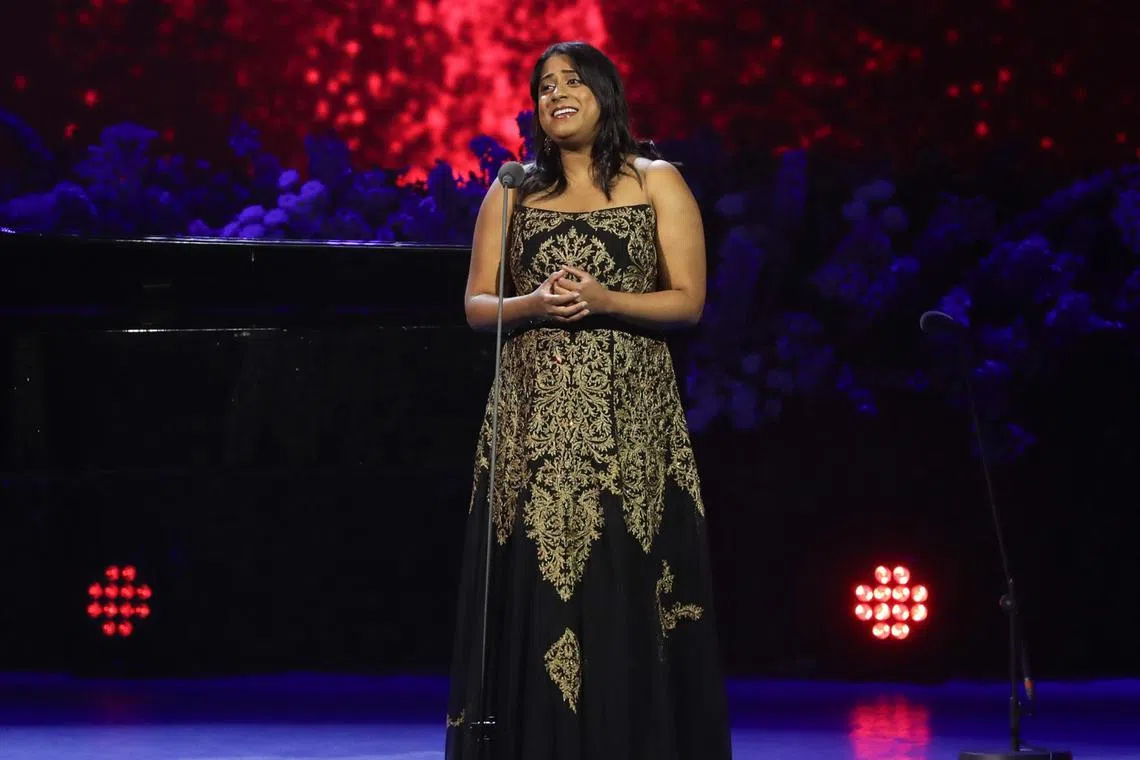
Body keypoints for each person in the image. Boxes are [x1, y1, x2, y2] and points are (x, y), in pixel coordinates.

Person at [444, 40, 733, 760]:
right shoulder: (511, 189)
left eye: (572, 80)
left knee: (622, 596)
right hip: (533, 435)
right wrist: (535, 302)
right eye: (543, 86)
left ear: (606, 92)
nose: (556, 94)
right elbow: (479, 306)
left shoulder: (655, 180)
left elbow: (689, 301)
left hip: (628, 432)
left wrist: (607, 298)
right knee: (536, 599)